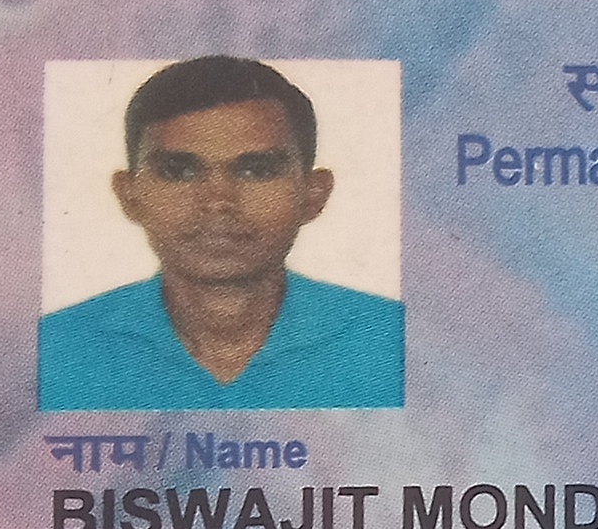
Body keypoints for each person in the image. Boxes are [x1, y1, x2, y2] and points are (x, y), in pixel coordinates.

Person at [37, 57, 404, 409]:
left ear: (313, 194)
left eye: (256, 170)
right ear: (130, 195)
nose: (217, 202)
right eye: (179, 171)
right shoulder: (54, 349)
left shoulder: (391, 341)